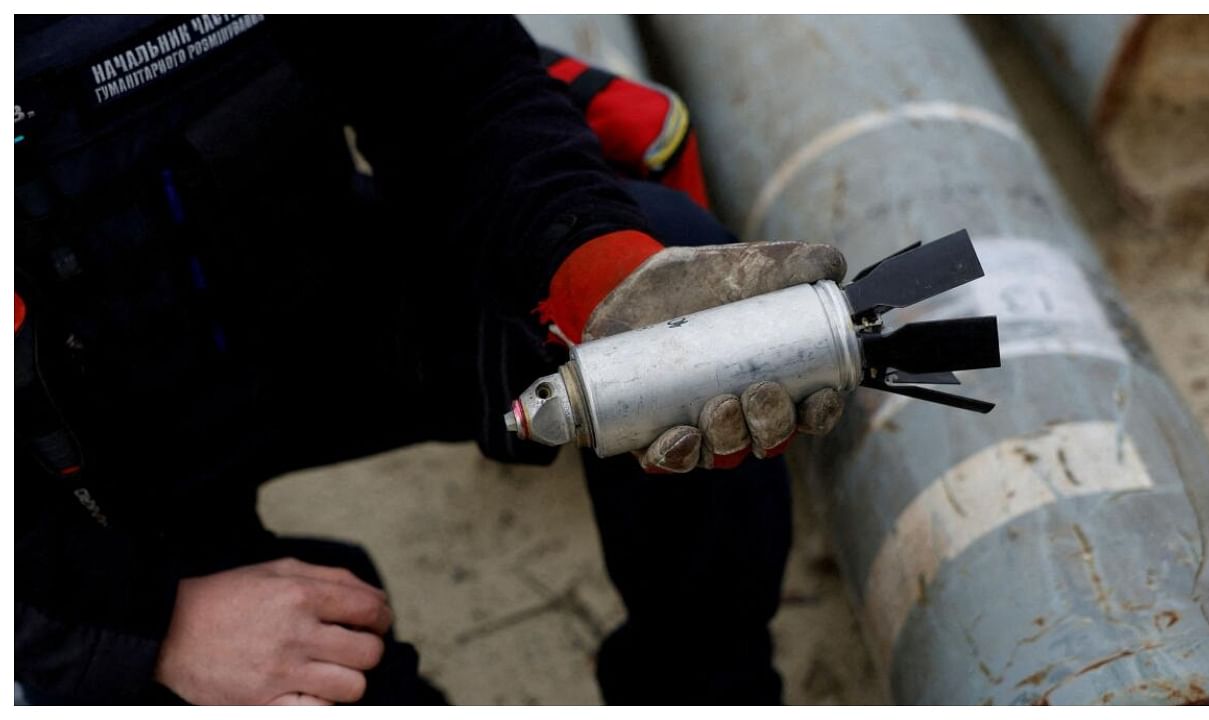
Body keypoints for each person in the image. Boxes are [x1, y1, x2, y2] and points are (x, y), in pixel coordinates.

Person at [15, 15, 846, 705]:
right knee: (329, 677)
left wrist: (587, 259)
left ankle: (701, 688)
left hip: (304, 303)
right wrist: (149, 630)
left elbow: (453, 82)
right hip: (72, 512)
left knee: (687, 332)